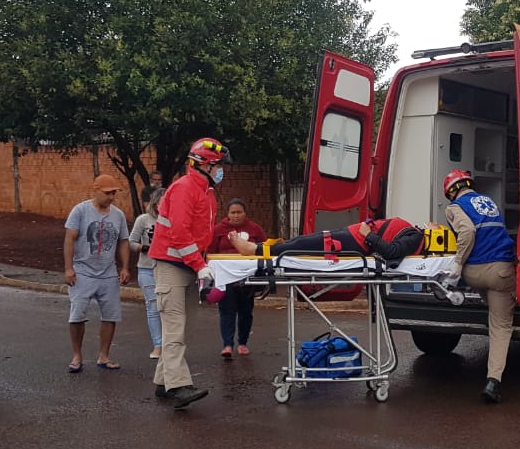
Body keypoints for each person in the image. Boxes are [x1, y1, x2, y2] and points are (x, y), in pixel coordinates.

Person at [148, 137, 231, 409]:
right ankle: (178, 386)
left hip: (188, 266)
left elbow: (200, 236)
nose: (222, 171)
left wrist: (204, 265)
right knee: (174, 328)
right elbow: (180, 234)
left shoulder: (206, 192)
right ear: (205, 165)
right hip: (171, 266)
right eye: (219, 166)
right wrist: (200, 265)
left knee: (184, 328)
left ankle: (163, 381)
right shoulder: (185, 188)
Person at [441, 170, 516, 404]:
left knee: (469, 281)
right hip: (502, 271)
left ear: (451, 192)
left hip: (474, 273)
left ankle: (453, 292)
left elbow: (467, 232)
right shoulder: (489, 202)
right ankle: (493, 381)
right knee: (501, 327)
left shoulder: (454, 208)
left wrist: (457, 264)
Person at [64, 174, 132, 373]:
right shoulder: (80, 211)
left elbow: (123, 241)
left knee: (111, 315)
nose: (111, 197)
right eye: (107, 193)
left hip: (108, 271)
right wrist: (69, 268)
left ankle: (104, 355)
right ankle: (77, 355)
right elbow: (69, 238)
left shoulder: (118, 215)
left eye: (114, 193)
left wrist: (125, 267)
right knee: (77, 314)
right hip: (83, 270)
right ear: (96, 191)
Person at [208, 198, 267, 358]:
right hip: (225, 278)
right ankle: (227, 345)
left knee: (246, 311)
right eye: (232, 212)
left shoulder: (254, 229)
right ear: (227, 214)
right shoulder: (218, 230)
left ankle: (243, 343)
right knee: (226, 311)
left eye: (239, 212)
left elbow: (264, 249)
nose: (236, 216)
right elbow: (210, 252)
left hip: (248, 278)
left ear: (245, 213)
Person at [227, 216, 423, 261]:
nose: (432, 224)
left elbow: (392, 252)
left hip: (357, 240)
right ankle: (259, 248)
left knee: (302, 244)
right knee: (302, 241)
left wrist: (368, 235)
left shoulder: (415, 237)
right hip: (354, 236)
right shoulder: (414, 232)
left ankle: (255, 250)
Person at [129, 187, 165, 360]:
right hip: (147, 268)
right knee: (153, 307)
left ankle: (170, 344)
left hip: (167, 269)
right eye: (160, 201)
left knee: (169, 308)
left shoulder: (173, 219)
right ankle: (158, 345)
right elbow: (131, 241)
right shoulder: (143, 220)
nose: (163, 205)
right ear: (155, 203)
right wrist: (144, 248)